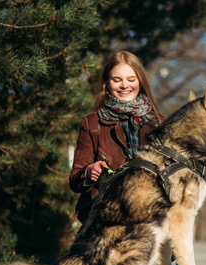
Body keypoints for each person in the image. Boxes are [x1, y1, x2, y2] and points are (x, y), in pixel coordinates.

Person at [69, 51, 164, 222]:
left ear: (140, 81)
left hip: (149, 217)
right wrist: (89, 172)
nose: (124, 85)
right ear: (107, 82)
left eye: (131, 79)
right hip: (104, 217)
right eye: (117, 80)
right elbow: (75, 180)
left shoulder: (160, 124)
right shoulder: (91, 123)